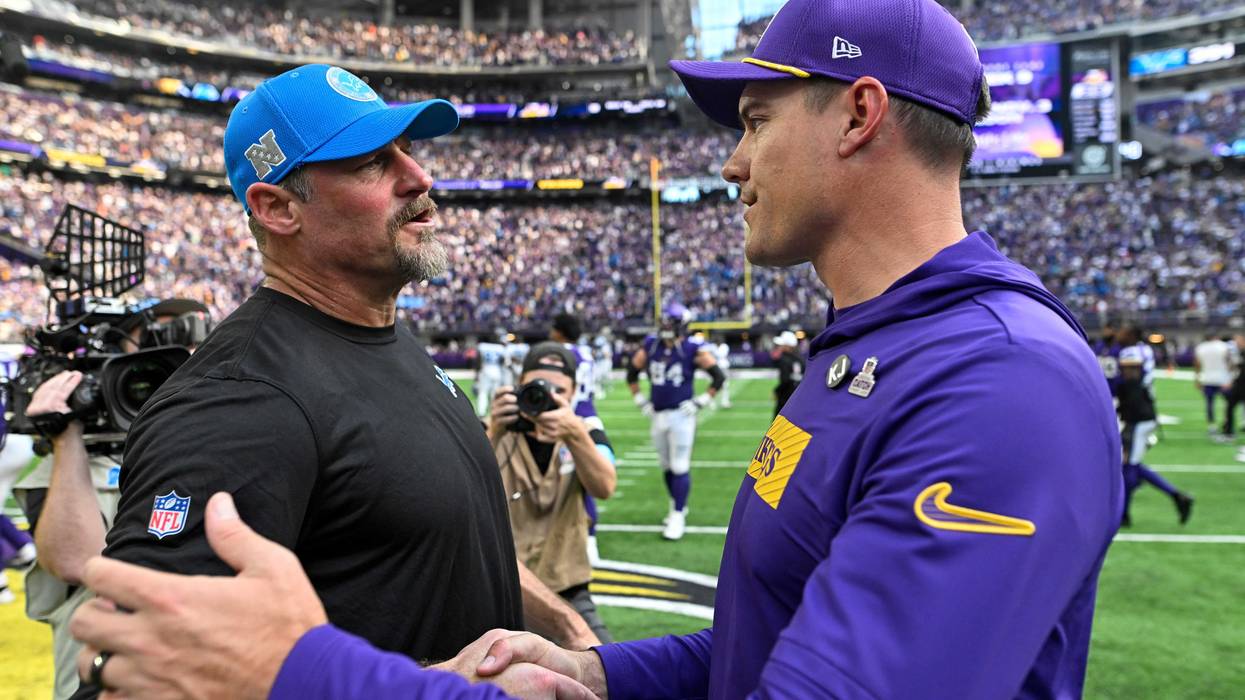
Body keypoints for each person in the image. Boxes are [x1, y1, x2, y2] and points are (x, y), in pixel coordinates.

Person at [72, 1, 1122, 697]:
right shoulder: (876, 354)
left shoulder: (1000, 380)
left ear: (858, 114)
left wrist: (302, 672)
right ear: (275, 206)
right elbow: (778, 642)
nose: (732, 155)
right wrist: (610, 675)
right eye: (371, 160)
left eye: (754, 117)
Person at [90, 62, 524, 690]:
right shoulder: (240, 402)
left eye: (407, 149)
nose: (420, 176)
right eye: (373, 162)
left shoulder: (387, 337)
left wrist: (566, 632)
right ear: (278, 209)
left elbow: (437, 539)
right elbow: (136, 679)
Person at [487, 342, 617, 645]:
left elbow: (604, 486)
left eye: (558, 391)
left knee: (606, 671)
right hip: (507, 589)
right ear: (518, 388)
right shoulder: (497, 429)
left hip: (568, 587)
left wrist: (574, 435)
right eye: (536, 389)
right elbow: (461, 488)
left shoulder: (587, 432)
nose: (547, 399)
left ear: (573, 393)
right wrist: (494, 431)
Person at [627, 302, 725, 540]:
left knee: (679, 465)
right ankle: (676, 505)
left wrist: (701, 401)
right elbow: (631, 371)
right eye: (665, 322)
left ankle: (678, 514)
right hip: (658, 414)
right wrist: (640, 398)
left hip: (681, 415)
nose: (667, 327)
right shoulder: (651, 345)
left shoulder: (692, 348)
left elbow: (718, 377)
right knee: (666, 466)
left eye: (671, 323)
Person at [1116, 325, 1193, 525]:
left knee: (1130, 467)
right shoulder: (1145, 350)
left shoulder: (1130, 354)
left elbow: (1130, 382)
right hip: (1143, 409)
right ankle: (1177, 496)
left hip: (1138, 414)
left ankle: (1124, 514)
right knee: (1132, 465)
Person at [1194, 333, 1232, 434]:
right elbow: (1229, 362)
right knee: (1227, 403)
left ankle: (1212, 425)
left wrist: (1197, 379)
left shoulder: (1201, 347)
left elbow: (1197, 364)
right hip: (1222, 379)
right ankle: (1226, 422)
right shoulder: (1223, 346)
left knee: (1209, 403)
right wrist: (1230, 377)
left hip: (1208, 379)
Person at [476, 329, 511, 418]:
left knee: (483, 393)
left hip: (486, 370)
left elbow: (478, 361)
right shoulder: (501, 348)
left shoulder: (483, 346)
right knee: (495, 394)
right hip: (497, 372)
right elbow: (504, 362)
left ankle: (481, 413)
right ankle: (494, 412)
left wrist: (477, 373)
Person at [770, 330, 803, 416]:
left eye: (782, 345)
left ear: (788, 346)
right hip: (799, 397)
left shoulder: (784, 360)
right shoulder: (801, 359)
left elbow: (785, 380)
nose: (779, 347)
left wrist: (777, 391)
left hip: (785, 398)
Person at [1222, 334, 1245, 440]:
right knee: (1230, 407)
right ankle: (1228, 431)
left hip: (1241, 385)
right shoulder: (1239, 352)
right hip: (1239, 385)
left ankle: (1228, 431)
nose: (1237, 343)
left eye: (1240, 341)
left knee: (1230, 407)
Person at [712, 337, 733, 409]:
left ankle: (725, 402)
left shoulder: (724, 346)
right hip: (715, 368)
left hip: (723, 367)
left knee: (725, 385)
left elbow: (721, 355)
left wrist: (714, 351)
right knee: (714, 385)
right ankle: (712, 402)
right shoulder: (712, 346)